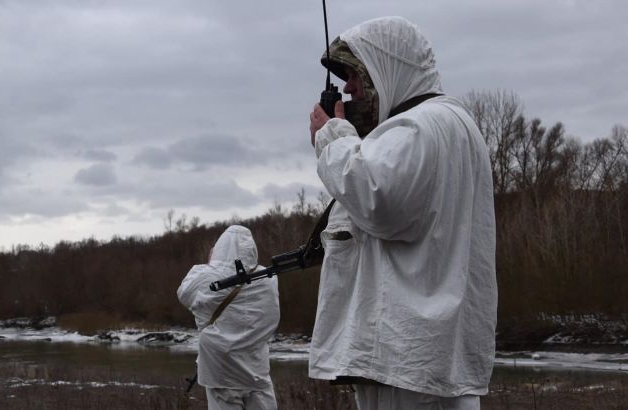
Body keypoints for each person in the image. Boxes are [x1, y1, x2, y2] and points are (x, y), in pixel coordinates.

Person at [308, 17, 497, 409]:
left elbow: (378, 199)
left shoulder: (422, 126)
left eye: (354, 73)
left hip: (406, 359)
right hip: (432, 358)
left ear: (386, 65)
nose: (347, 87)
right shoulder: (449, 124)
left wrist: (332, 140)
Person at [177, 225, 280, 410]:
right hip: (257, 369)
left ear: (219, 248)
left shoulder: (210, 277)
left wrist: (211, 264)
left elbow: (185, 292)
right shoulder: (268, 279)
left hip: (221, 370)